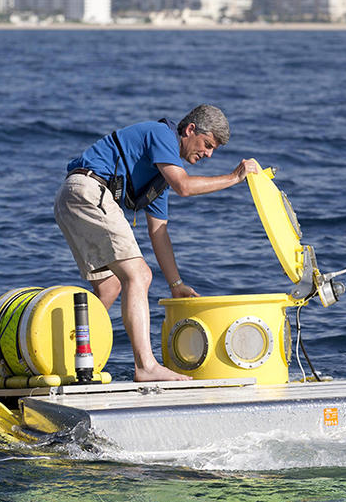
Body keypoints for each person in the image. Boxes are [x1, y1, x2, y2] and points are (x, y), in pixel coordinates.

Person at [54, 105, 260, 382]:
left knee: (110, 286)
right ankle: (146, 365)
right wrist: (235, 178)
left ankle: (65, 359)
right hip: (89, 191)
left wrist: (176, 285)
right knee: (139, 275)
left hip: (73, 197)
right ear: (190, 130)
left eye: (214, 150)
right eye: (208, 145)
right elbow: (184, 186)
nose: (209, 154)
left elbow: (158, 233)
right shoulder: (162, 135)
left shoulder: (159, 178)